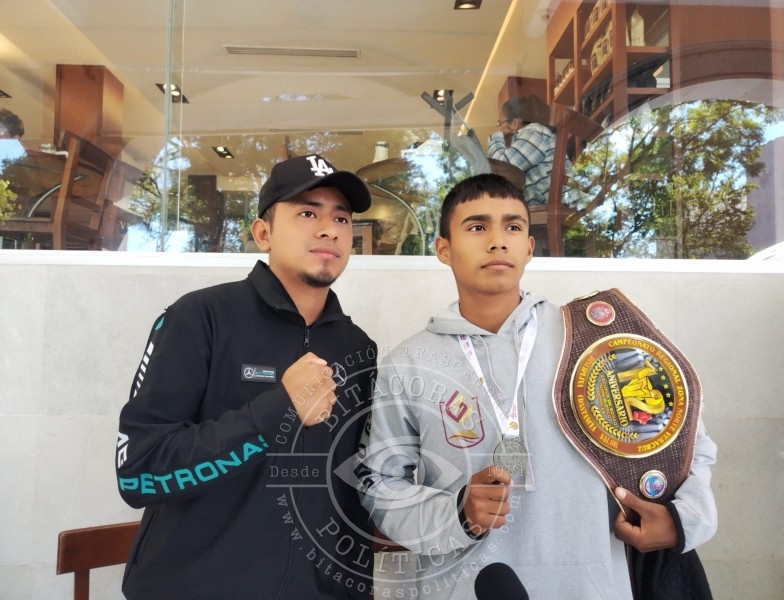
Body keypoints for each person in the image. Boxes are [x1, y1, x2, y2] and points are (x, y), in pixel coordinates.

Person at [357, 173, 717, 599]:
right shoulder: (409, 363)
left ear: (529, 247)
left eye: (512, 227)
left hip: (593, 587)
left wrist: (682, 519)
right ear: (443, 249)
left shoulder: (592, 341)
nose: (497, 241)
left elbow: (684, 443)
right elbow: (379, 484)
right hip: (468, 588)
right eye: (477, 226)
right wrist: (455, 513)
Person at [116, 153, 378, 599]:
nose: (329, 229)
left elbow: (354, 489)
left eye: (341, 217)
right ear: (263, 234)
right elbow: (138, 473)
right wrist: (277, 410)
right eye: (307, 213)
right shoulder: (199, 318)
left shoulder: (358, 349)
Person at [486, 94, 572, 207]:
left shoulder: (534, 132)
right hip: (555, 205)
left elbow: (501, 169)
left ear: (514, 123)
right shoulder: (533, 134)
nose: (499, 128)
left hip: (562, 206)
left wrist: (495, 137)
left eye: (500, 123)